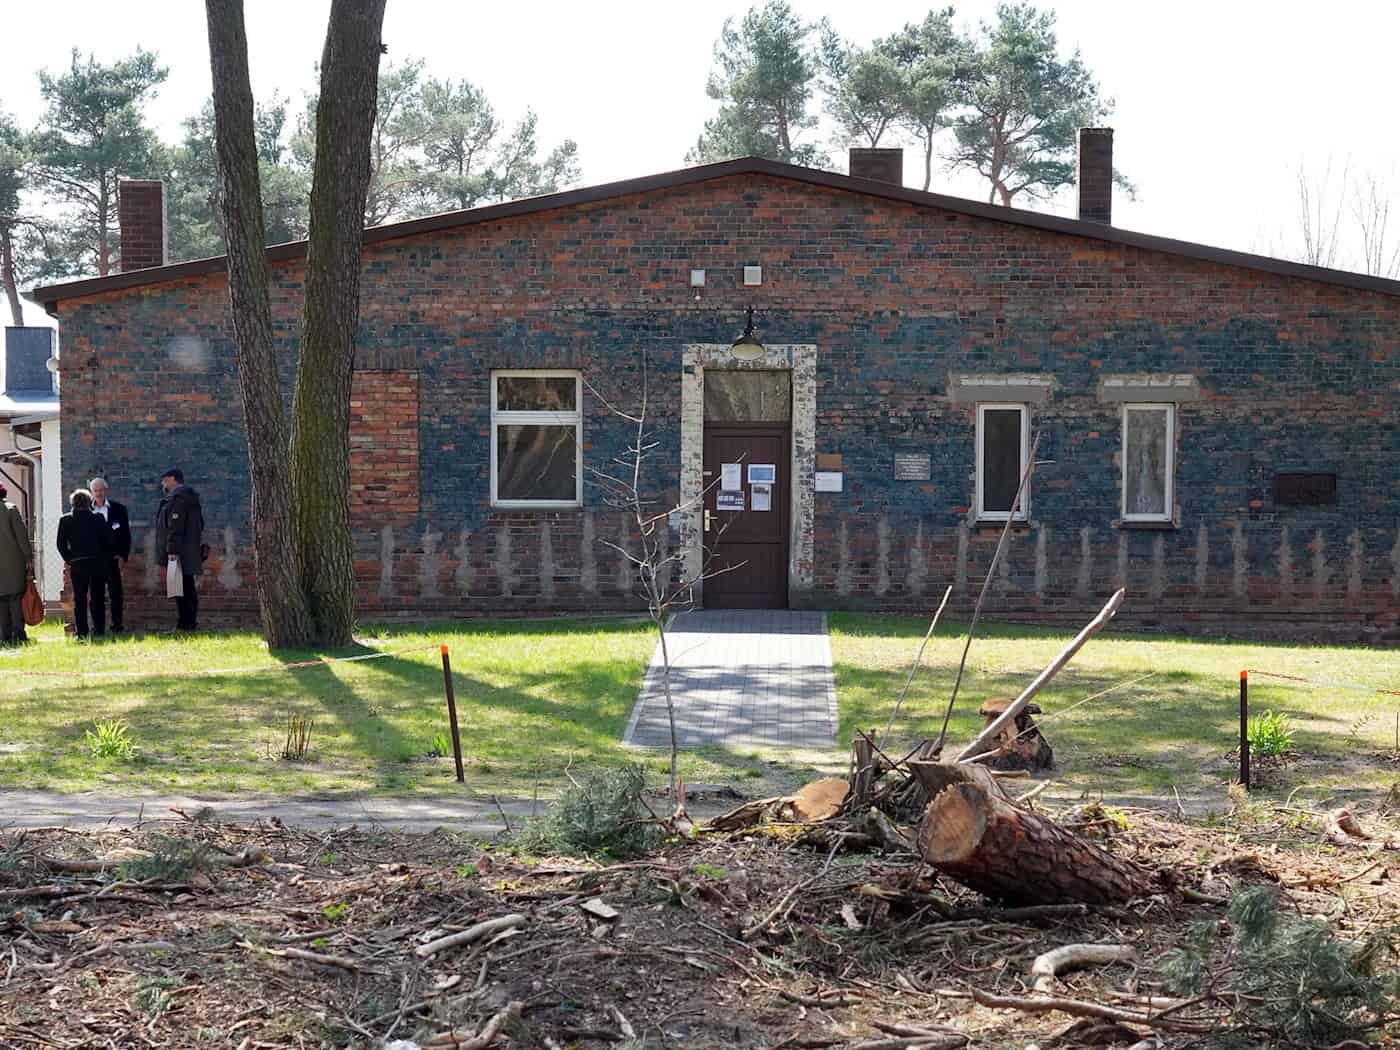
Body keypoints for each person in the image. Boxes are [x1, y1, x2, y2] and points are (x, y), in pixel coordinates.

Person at [56, 488, 110, 639]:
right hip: (96, 563)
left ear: (73, 503)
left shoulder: (66, 520)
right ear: (89, 502)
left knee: (79, 599)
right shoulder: (98, 518)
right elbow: (107, 541)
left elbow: (60, 544)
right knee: (97, 598)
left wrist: (70, 559)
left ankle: (82, 632)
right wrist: (103, 559)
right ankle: (99, 630)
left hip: (78, 564)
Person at [156, 468, 205, 631]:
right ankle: (188, 623)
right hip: (187, 550)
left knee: (181, 588)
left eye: (165, 480)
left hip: (178, 552)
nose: (163, 484)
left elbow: (175, 526)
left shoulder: (179, 498)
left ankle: (185, 624)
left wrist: (172, 551)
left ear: (173, 479)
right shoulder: (189, 497)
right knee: (186, 586)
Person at [89, 477, 131, 632]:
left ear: (106, 491)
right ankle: (98, 627)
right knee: (96, 595)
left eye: (101, 490)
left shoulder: (118, 509)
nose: (98, 493)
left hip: (113, 558)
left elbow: (125, 534)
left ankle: (117, 625)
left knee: (116, 594)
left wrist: (122, 555)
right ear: (91, 492)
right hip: (94, 560)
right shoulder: (87, 511)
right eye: (95, 490)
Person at [0, 483, 33, 645]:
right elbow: (21, 536)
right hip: (13, 561)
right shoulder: (10, 509)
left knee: (1, 600)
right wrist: (28, 557)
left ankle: (4, 635)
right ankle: (19, 634)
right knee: (15, 598)